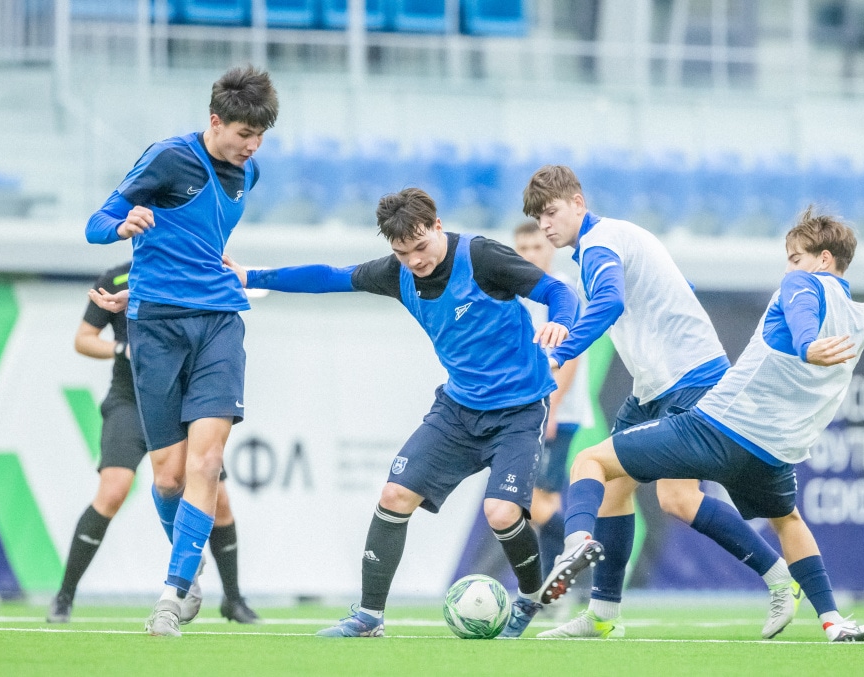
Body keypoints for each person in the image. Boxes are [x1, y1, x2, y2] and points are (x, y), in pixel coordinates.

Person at [224, 187, 579, 639]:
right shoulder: (397, 274)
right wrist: (252, 275)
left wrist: (560, 322)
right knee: (394, 496)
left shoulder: (483, 256)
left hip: (520, 409)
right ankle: (369, 616)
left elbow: (555, 291)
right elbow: (328, 276)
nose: (414, 260)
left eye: (421, 247)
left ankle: (530, 598)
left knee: (501, 513)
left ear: (436, 226)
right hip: (457, 409)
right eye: (401, 252)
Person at [545, 207, 864, 642]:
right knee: (787, 520)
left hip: (717, 428)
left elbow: (801, 320)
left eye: (795, 257)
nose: (789, 267)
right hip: (774, 451)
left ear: (824, 259)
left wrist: (808, 345)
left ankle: (576, 544)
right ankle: (833, 620)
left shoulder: (800, 283)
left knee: (592, 461)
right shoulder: (860, 316)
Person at [521, 164, 800, 640]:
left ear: (578, 204)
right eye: (537, 217)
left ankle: (577, 545)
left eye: (552, 212)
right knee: (639, 491)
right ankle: (603, 615)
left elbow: (608, 304)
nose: (546, 225)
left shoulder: (600, 244)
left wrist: (560, 351)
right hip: (655, 387)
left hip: (688, 383)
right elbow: (675, 287)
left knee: (610, 471)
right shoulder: (614, 240)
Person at [84, 65, 278, 637]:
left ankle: (171, 595)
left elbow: (203, 240)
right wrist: (123, 228)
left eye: (261, 136)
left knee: (206, 463)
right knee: (168, 476)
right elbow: (97, 224)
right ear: (215, 121)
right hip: (156, 329)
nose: (252, 147)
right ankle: (188, 576)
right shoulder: (168, 158)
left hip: (220, 322)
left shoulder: (250, 171)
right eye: (244, 134)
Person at [47, 262, 259, 625]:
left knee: (218, 496)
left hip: (185, 399)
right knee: (114, 490)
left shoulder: (192, 266)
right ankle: (64, 596)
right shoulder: (115, 278)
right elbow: (83, 339)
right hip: (130, 399)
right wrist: (120, 350)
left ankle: (233, 599)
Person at [512, 221, 593, 575]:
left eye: (536, 247)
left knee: (535, 501)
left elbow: (570, 356)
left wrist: (552, 409)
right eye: (523, 249)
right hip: (528, 410)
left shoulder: (561, 290)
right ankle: (551, 584)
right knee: (536, 501)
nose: (530, 255)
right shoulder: (516, 294)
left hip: (554, 411)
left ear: (551, 249)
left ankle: (579, 556)